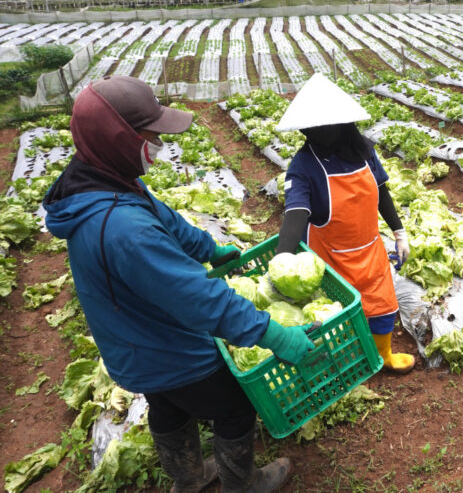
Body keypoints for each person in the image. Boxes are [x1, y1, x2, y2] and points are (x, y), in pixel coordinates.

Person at [43, 76, 315, 493]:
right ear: (118, 137)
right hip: (167, 349)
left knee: (167, 405)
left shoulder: (103, 182)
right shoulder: (122, 229)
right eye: (150, 135)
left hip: (133, 342)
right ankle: (244, 484)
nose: (158, 145)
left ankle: (188, 479)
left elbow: (163, 216)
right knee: (235, 406)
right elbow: (197, 298)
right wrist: (271, 333)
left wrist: (208, 248)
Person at [274, 74, 415, 374]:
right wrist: (281, 260)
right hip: (330, 255)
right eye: (308, 129)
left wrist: (399, 232)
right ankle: (344, 361)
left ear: (341, 125)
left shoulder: (363, 151)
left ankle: (382, 355)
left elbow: (382, 191)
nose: (310, 133)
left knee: (381, 305)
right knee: (333, 313)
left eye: (317, 128)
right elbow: (295, 212)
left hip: (369, 246)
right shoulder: (303, 166)